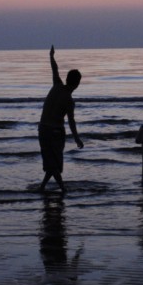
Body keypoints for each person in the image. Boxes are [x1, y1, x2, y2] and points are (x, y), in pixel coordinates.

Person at [38, 46, 83, 193]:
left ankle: (45, 187)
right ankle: (61, 188)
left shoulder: (57, 84)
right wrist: (77, 139)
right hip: (56, 132)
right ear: (77, 84)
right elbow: (71, 122)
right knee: (54, 163)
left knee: (50, 162)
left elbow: (54, 68)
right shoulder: (69, 101)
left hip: (43, 129)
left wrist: (51, 56)